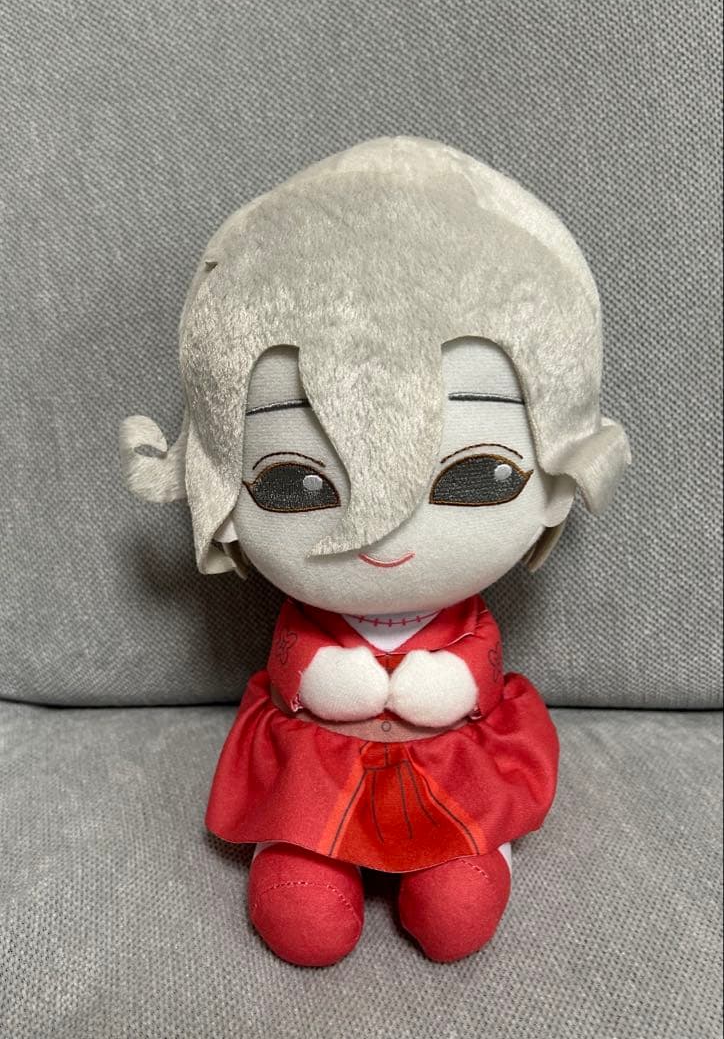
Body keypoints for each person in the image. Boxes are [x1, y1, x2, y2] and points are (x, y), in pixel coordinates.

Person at [120, 137, 630, 966]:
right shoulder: (310, 620)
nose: (386, 540)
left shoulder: (462, 620)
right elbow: (291, 661)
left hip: (447, 764)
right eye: (293, 483)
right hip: (320, 767)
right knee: (303, 918)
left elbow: (480, 659)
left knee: (458, 910)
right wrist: (320, 677)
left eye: (477, 476)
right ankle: (297, 852)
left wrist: (453, 683)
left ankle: (476, 850)